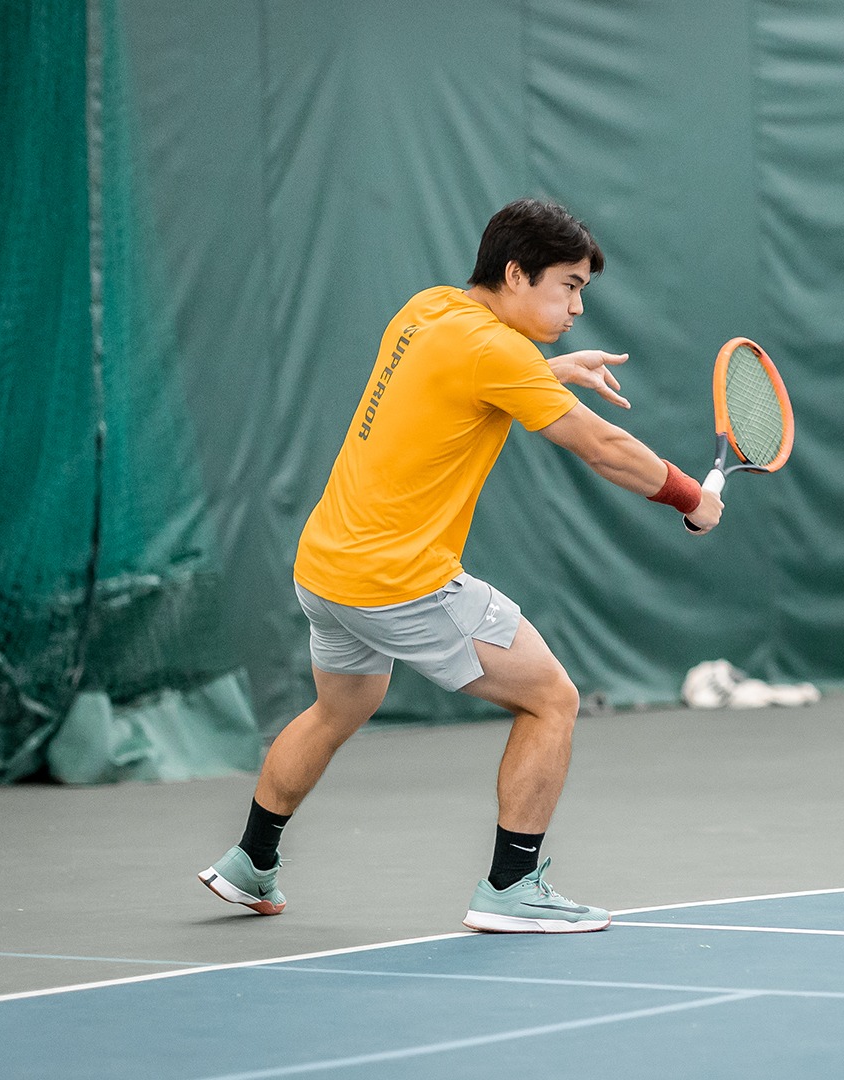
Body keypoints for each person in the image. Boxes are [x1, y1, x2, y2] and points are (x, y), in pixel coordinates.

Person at [198, 198, 721, 933]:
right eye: (567, 285)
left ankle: (250, 863)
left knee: (338, 707)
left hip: (325, 570)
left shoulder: (430, 310)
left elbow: (471, 371)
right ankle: (512, 886)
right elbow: (603, 447)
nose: (576, 305)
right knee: (552, 700)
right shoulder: (496, 354)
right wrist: (690, 497)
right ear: (516, 274)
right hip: (398, 582)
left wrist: (551, 368)